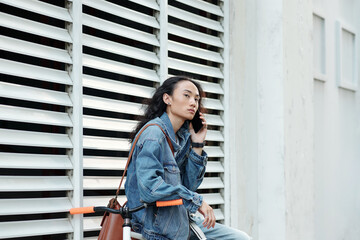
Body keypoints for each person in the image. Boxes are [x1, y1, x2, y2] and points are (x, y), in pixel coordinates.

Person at [125, 76, 251, 240]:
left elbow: (187, 186)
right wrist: (197, 201)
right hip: (155, 226)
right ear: (167, 98)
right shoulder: (153, 135)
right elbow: (150, 189)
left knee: (240, 238)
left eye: (197, 99)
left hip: (179, 219)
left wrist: (197, 144)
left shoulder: (182, 137)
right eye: (187, 95)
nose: (193, 103)